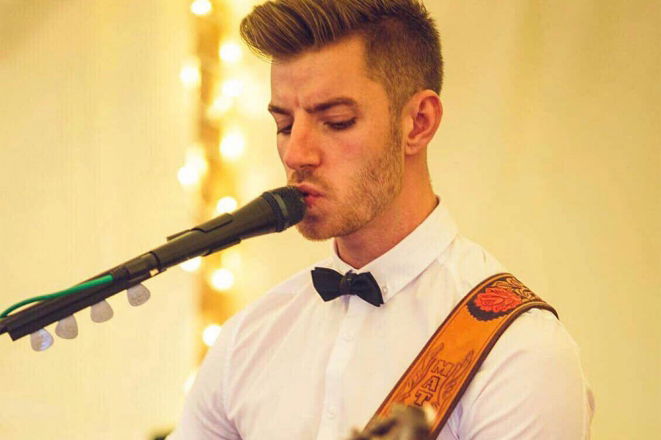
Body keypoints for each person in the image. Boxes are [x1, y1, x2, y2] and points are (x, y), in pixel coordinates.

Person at [168, 1, 594, 439]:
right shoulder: (246, 340)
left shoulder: (518, 350)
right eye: (284, 125)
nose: (296, 154)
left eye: (337, 121)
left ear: (418, 123)